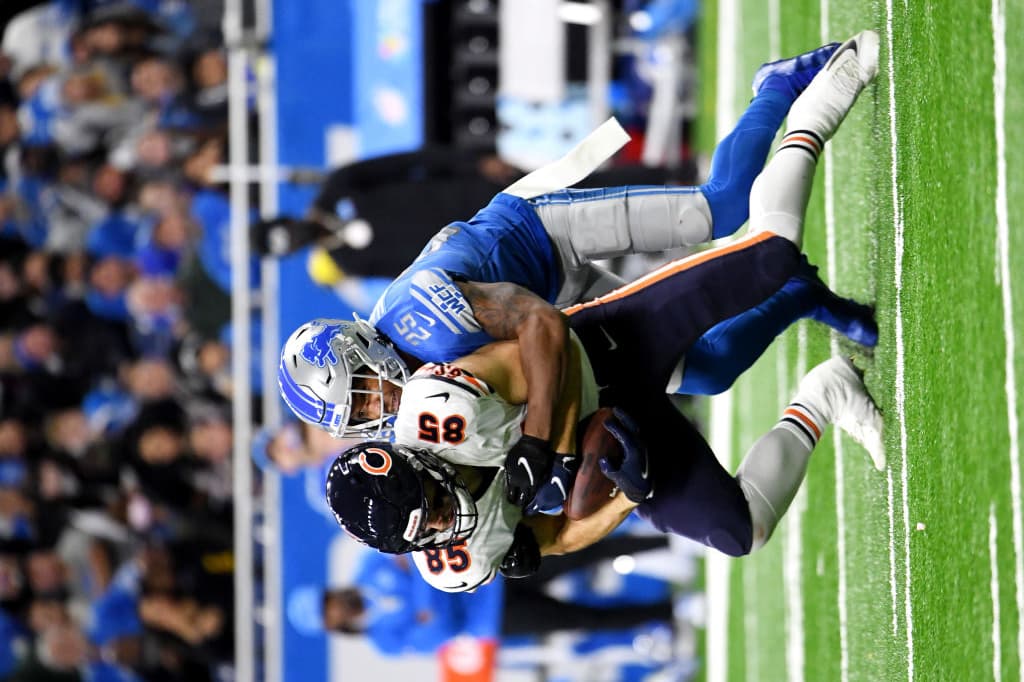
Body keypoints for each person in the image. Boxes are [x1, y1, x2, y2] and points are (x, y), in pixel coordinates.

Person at [316, 31, 885, 592]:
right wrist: (627, 496)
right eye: (431, 531)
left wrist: (549, 446)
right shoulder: (447, 550)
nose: (446, 522)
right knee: (736, 518)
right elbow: (559, 536)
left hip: (563, 285)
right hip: (593, 386)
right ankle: (825, 383)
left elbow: (546, 330)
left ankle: (800, 107)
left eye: (435, 508)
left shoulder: (433, 385)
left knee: (742, 231)